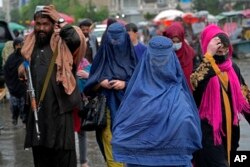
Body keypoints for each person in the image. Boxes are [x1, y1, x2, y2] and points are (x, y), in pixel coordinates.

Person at [111, 36, 202, 167]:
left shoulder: (136, 95)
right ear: (172, 60)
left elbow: (121, 134)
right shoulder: (180, 98)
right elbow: (191, 136)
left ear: (146, 59)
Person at [19, 5, 86, 167]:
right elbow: (22, 66)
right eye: (38, 24)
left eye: (46, 24)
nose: (41, 28)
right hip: (38, 114)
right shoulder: (30, 45)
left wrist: (60, 20)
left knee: (63, 158)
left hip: (60, 113)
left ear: (53, 25)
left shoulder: (62, 44)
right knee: (41, 158)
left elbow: (76, 39)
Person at [190, 24, 250, 167]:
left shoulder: (232, 68)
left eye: (224, 48)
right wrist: (209, 57)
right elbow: (194, 83)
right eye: (218, 47)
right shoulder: (203, 69)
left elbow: (245, 97)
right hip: (209, 132)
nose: (222, 51)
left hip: (230, 130)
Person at [83, 22, 137, 167]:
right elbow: (89, 87)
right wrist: (100, 83)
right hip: (107, 112)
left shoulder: (133, 59)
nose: (116, 46)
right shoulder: (102, 59)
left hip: (130, 113)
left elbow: (141, 85)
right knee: (113, 154)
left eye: (119, 41)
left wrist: (125, 84)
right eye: (112, 42)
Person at [164, 22, 196, 91]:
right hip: (169, 93)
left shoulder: (190, 53)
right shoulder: (163, 55)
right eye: (173, 41)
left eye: (178, 41)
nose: (175, 44)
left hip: (186, 93)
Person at [3, 37, 27, 125]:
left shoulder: (25, 57)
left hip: (23, 86)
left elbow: (28, 66)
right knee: (15, 105)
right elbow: (6, 71)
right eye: (20, 44)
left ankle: (24, 120)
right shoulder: (11, 58)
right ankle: (15, 117)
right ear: (16, 46)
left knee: (24, 105)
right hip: (13, 86)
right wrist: (9, 84)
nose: (22, 46)